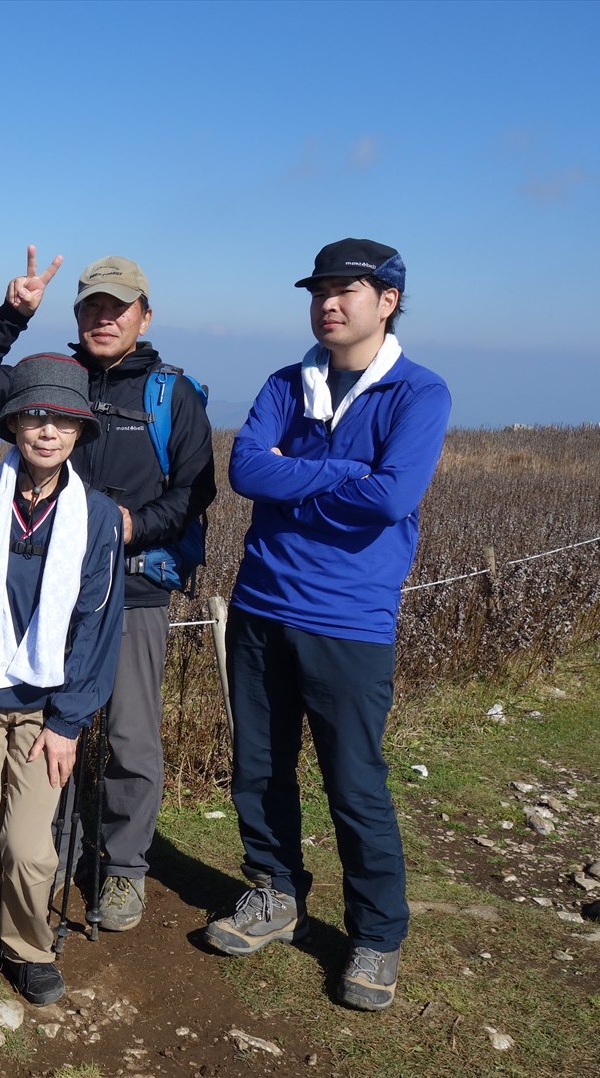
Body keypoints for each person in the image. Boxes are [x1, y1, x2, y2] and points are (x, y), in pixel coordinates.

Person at [205, 239, 450, 1013]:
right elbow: (247, 471)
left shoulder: (418, 393)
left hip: (349, 619)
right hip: (260, 604)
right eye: (320, 291)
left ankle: (376, 936)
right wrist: (347, 473)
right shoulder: (286, 382)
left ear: (389, 301)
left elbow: (391, 499)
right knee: (260, 766)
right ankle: (274, 891)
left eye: (348, 290)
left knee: (356, 783)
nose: (329, 304)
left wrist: (301, 479)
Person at [0, 246, 215, 932]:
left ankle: (122, 870)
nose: (103, 319)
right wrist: (10, 316)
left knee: (132, 738)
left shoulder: (173, 394)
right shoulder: (52, 379)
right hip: (42, 592)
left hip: (137, 588)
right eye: (91, 307)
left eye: (117, 308)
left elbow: (194, 493)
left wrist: (130, 528)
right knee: (43, 721)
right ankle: (49, 848)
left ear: (145, 315)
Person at [0, 353, 125, 1006]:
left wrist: (67, 722)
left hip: (45, 711)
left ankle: (26, 948)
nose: (48, 431)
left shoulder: (99, 518)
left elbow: (97, 624)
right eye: (34, 415)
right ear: (11, 423)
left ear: (81, 432)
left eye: (63, 420)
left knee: (27, 851)